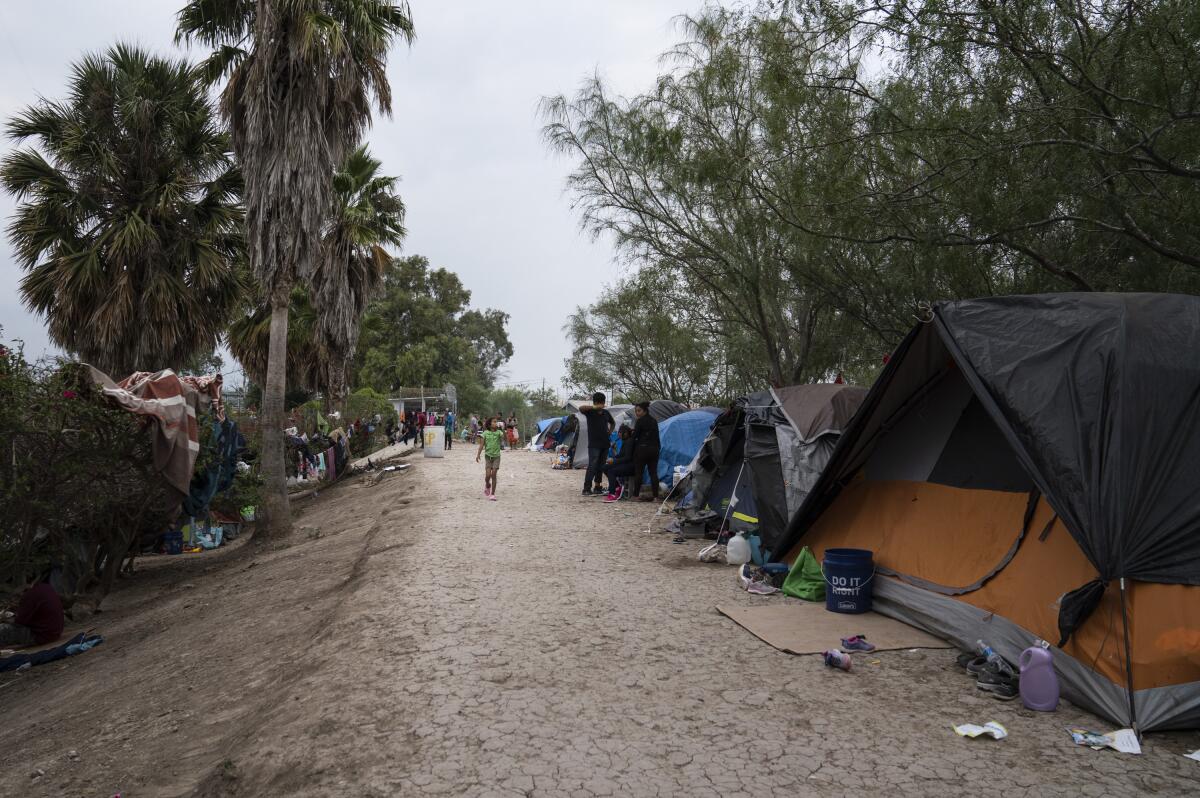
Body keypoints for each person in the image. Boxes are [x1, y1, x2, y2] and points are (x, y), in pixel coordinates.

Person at [0, 572, 64, 648]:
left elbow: (18, 622)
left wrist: (3, 618)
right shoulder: (46, 587)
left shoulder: (29, 595)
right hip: (55, 632)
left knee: (3, 628)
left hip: (41, 636)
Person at [578, 392, 615, 496]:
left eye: (602, 403)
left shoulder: (606, 413)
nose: (601, 405)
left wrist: (610, 431)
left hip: (605, 443)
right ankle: (586, 488)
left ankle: (598, 487)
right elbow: (581, 408)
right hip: (594, 444)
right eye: (599, 403)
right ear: (595, 403)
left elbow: (613, 423)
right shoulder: (590, 412)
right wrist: (594, 407)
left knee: (601, 466)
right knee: (592, 466)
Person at [630, 401, 661, 502]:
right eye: (636, 411)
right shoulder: (654, 421)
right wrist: (657, 448)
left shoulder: (640, 421)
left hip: (642, 449)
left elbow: (635, 437)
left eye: (639, 411)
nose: (637, 413)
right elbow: (657, 437)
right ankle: (656, 497)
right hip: (654, 449)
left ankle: (635, 496)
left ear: (645, 411)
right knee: (653, 473)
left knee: (639, 472)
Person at [602, 425, 635, 501]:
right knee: (605, 467)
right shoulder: (625, 442)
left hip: (631, 466)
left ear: (626, 433)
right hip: (625, 464)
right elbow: (620, 455)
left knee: (611, 471)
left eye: (620, 432)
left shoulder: (630, 442)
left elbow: (628, 458)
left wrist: (614, 461)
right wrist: (612, 458)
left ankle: (612, 494)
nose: (618, 434)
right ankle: (617, 487)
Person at [475, 417, 503, 501]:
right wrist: (478, 455)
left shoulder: (499, 432)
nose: (496, 423)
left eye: (496, 422)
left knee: (494, 474)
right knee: (487, 476)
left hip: (496, 456)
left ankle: (492, 494)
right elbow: (481, 445)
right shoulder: (485, 433)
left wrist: (502, 430)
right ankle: (487, 485)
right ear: (490, 424)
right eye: (494, 422)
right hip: (488, 456)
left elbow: (504, 439)